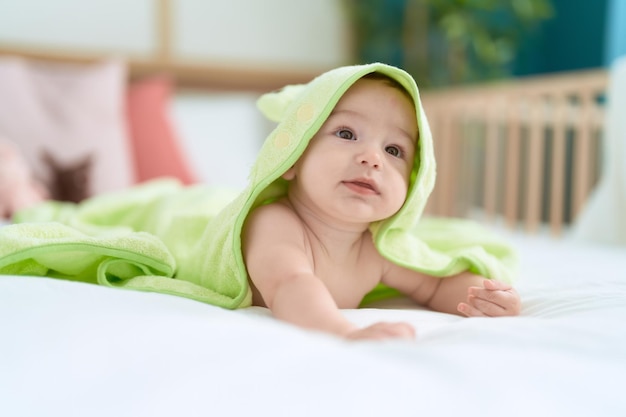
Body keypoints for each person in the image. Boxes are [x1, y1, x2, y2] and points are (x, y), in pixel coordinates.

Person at [242, 71, 521, 341]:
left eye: (394, 150)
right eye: (347, 133)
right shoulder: (275, 222)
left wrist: (484, 298)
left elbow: (435, 284)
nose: (373, 158)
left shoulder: (378, 249)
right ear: (293, 155)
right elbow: (288, 284)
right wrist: (345, 333)